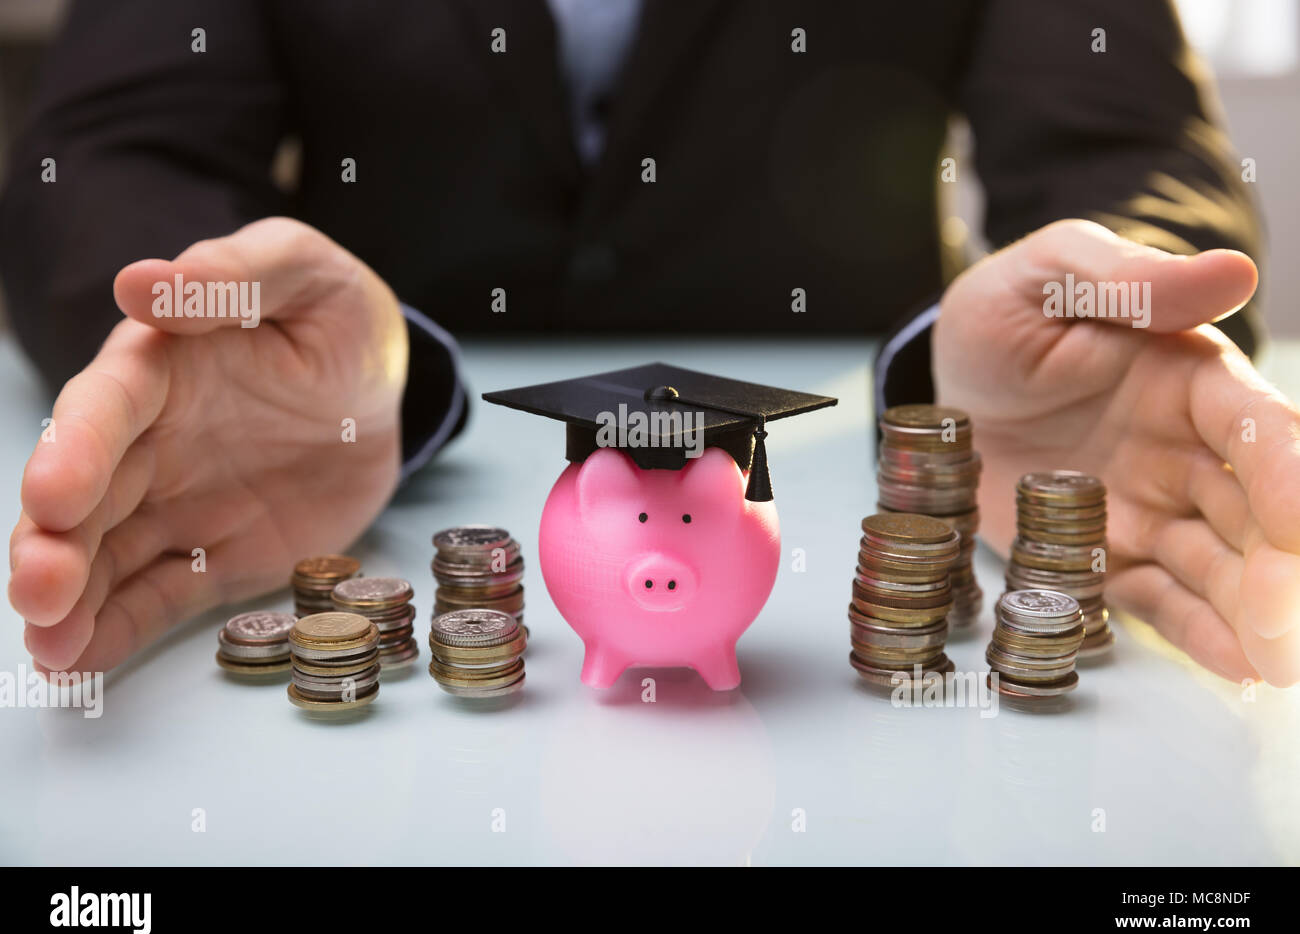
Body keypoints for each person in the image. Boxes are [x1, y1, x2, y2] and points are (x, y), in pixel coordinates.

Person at [0, 0, 1295, 686]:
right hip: (362, 416)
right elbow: (114, 152)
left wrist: (1102, 313)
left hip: (872, 422)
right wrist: (207, 316)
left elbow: (1126, 148)